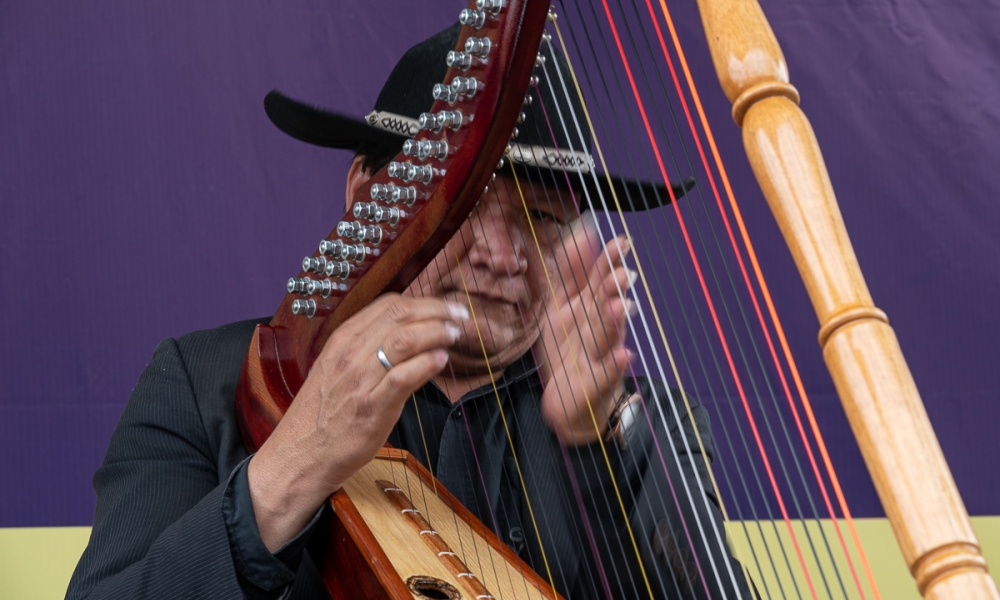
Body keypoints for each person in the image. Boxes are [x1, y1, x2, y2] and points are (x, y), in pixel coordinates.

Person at [67, 24, 754, 600]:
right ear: (370, 198)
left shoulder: (632, 420)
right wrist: (291, 471)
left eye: (540, 219)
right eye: (466, 210)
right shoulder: (201, 382)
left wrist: (605, 445)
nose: (503, 256)